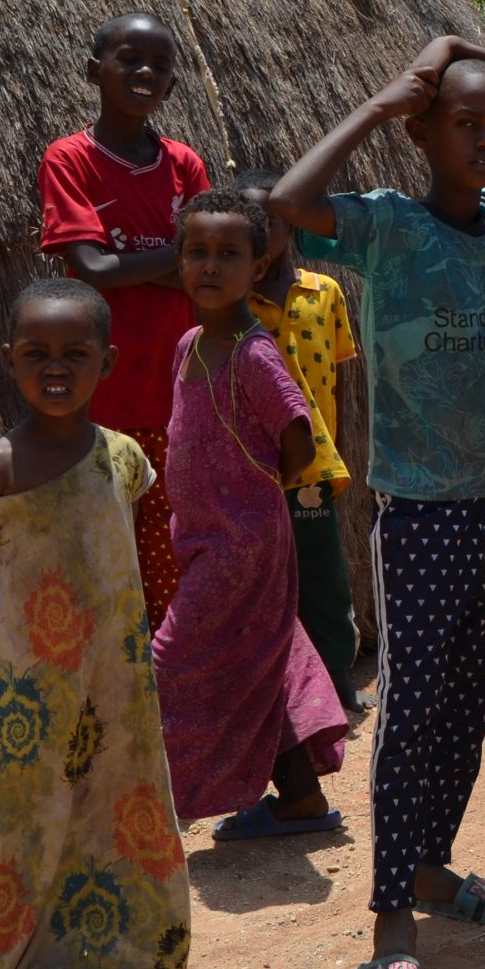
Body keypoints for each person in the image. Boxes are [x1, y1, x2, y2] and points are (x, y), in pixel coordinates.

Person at [265, 33, 485, 969]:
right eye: (467, 123)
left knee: (471, 700)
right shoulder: (384, 228)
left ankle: (432, 866)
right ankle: (391, 920)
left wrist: (467, 51)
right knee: (408, 715)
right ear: (425, 132)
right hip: (418, 519)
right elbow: (280, 208)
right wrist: (379, 103)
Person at [0, 279, 191, 969]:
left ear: (106, 362)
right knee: (25, 824)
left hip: (111, 674)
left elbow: (133, 541)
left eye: (75, 354)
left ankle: (134, 948)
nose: (56, 367)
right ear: (9, 361)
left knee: (124, 801)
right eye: (37, 353)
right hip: (22, 686)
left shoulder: (125, 456)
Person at [149, 191, 348, 836]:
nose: (211, 266)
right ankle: (299, 797)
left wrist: (255, 501)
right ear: (179, 262)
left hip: (245, 547)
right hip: (206, 542)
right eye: (197, 253)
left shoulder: (253, 355)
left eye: (228, 254)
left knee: (169, 659)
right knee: (263, 658)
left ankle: (147, 807)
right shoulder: (188, 347)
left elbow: (297, 439)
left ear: (257, 267)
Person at [37, 12, 210, 628]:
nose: (145, 72)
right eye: (130, 59)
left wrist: (132, 261)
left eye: (160, 66)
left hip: (176, 393)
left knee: (170, 559)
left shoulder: (184, 164)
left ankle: (167, 699)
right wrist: (178, 260)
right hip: (103, 400)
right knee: (102, 556)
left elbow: (200, 264)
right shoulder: (70, 159)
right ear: (94, 70)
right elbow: (91, 268)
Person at [237, 170, 367, 711]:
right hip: (252, 465)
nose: (261, 229)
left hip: (313, 466)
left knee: (322, 577)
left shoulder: (325, 292)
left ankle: (335, 679)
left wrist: (331, 449)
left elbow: (333, 384)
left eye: (269, 217)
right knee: (261, 580)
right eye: (249, 220)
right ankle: (269, 687)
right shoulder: (232, 304)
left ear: (290, 223)